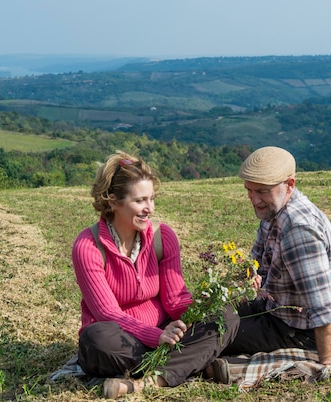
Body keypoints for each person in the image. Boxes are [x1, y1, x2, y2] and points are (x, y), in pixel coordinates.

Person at [72, 151, 238, 399]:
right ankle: (193, 364)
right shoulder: (88, 246)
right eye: (140, 201)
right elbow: (107, 313)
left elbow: (175, 300)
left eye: (151, 199)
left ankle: (147, 381)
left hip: (164, 330)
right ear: (113, 201)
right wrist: (156, 336)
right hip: (123, 339)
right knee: (96, 340)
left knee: (226, 316)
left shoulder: (163, 237)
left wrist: (200, 312)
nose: (149, 209)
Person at [221, 146, 331, 365]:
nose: (254, 199)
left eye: (262, 191)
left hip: (299, 332)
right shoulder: (273, 213)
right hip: (275, 308)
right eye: (249, 190)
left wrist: (327, 359)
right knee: (210, 314)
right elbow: (257, 265)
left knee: (215, 331)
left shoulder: (298, 231)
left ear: (289, 185)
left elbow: (322, 306)